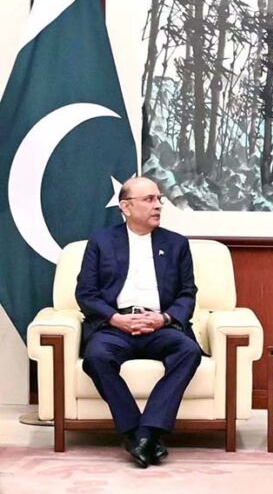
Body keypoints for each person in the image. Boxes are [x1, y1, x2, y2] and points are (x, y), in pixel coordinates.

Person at [76, 176, 201, 468]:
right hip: (115, 326)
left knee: (188, 351)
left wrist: (164, 318)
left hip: (159, 325)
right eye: (149, 199)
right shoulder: (101, 242)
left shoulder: (177, 244)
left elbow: (187, 293)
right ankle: (138, 432)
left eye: (159, 199)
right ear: (126, 207)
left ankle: (144, 433)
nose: (158, 205)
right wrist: (116, 319)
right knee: (96, 357)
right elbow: (86, 293)